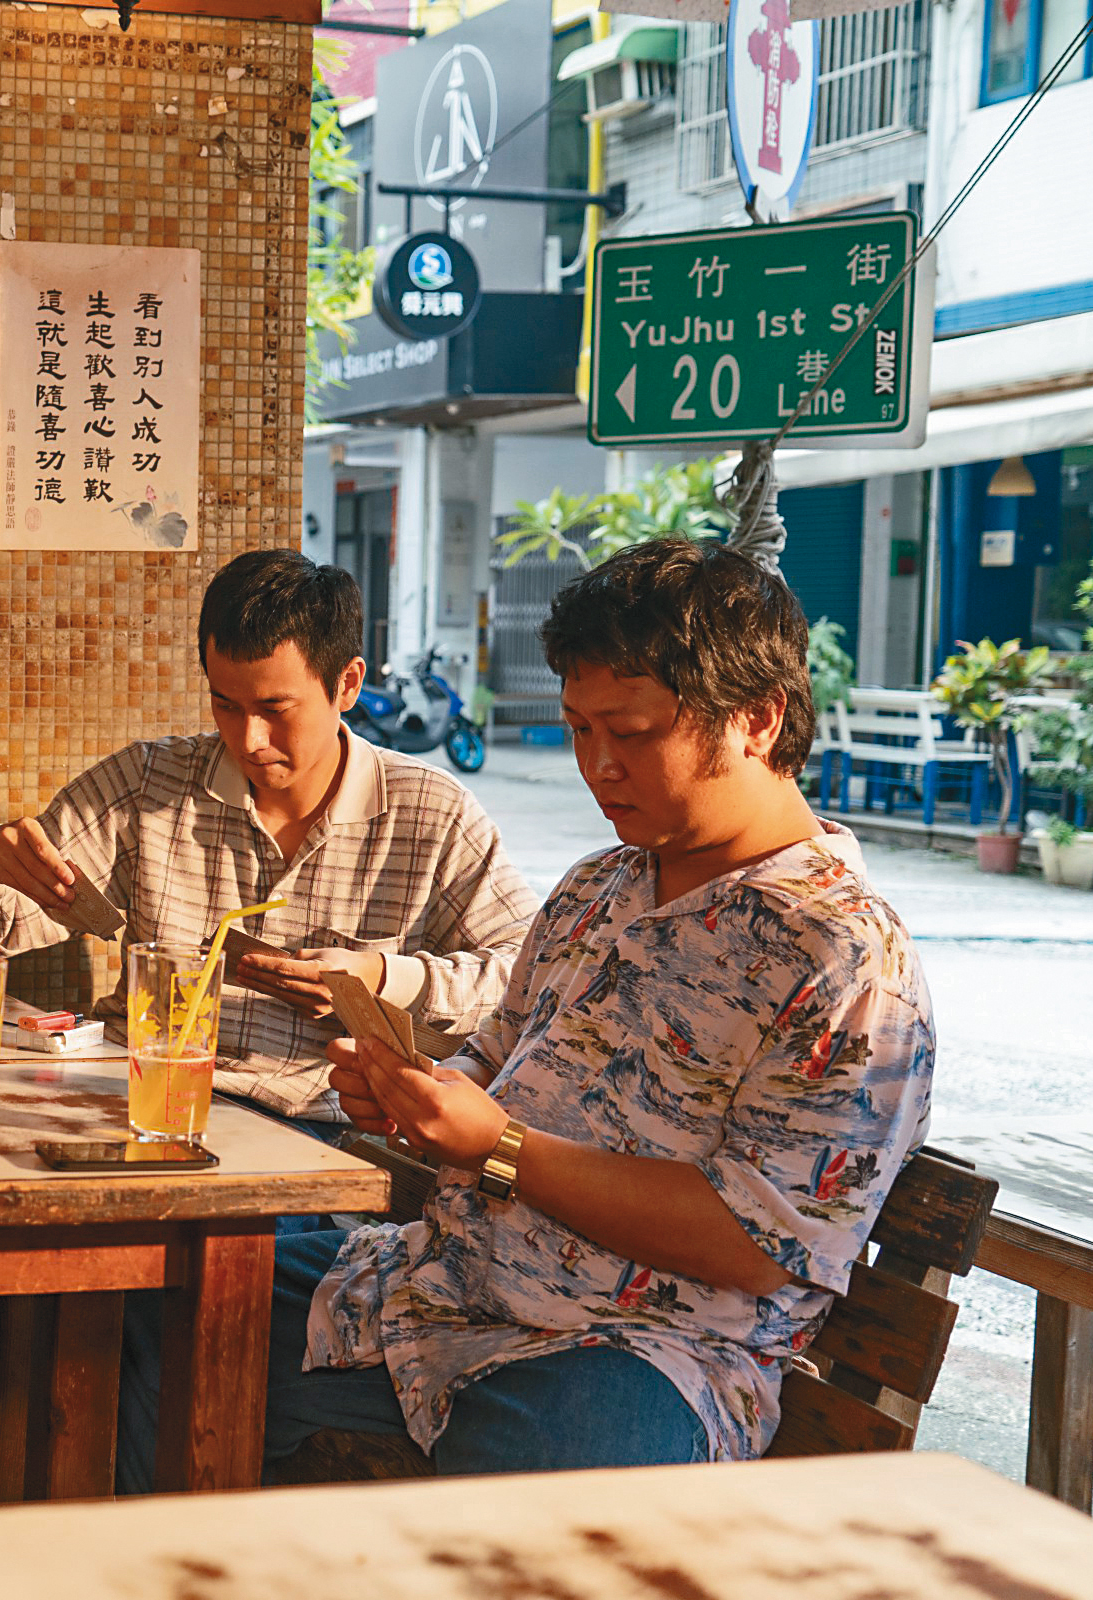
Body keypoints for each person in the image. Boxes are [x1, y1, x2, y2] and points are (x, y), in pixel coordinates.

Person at [118, 538, 935, 1487]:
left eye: (630, 732)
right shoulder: (599, 887)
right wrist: (421, 1097)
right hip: (433, 1286)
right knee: (149, 1296)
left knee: (536, 1477)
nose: (598, 766)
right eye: (579, 729)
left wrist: (499, 1147)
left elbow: (762, 1244)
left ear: (757, 719)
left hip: (638, 1348)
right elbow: (497, 1055)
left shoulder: (842, 956)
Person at [0, 549, 535, 1125]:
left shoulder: (431, 813)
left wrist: (382, 977)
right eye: (225, 705)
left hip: (314, 1125)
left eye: (275, 708)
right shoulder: (148, 783)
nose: (248, 739)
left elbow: (528, 980)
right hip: (136, 1092)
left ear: (348, 684)